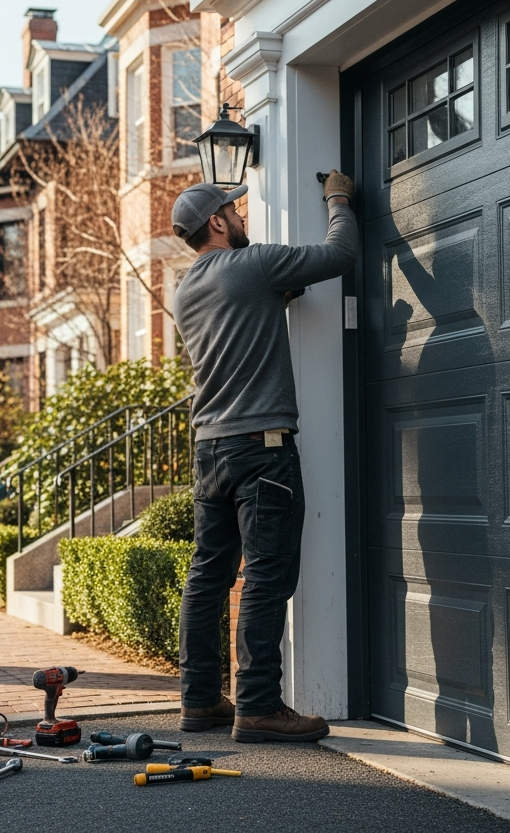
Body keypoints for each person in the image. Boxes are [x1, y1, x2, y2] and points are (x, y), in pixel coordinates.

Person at [171, 171, 357, 743]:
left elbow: (251, 311)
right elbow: (340, 253)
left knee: (208, 575)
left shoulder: (186, 289)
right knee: (266, 577)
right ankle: (258, 707)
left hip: (210, 450)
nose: (242, 216)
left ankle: (201, 702)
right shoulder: (250, 268)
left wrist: (280, 292)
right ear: (218, 223)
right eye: (234, 211)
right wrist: (338, 197)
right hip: (263, 451)